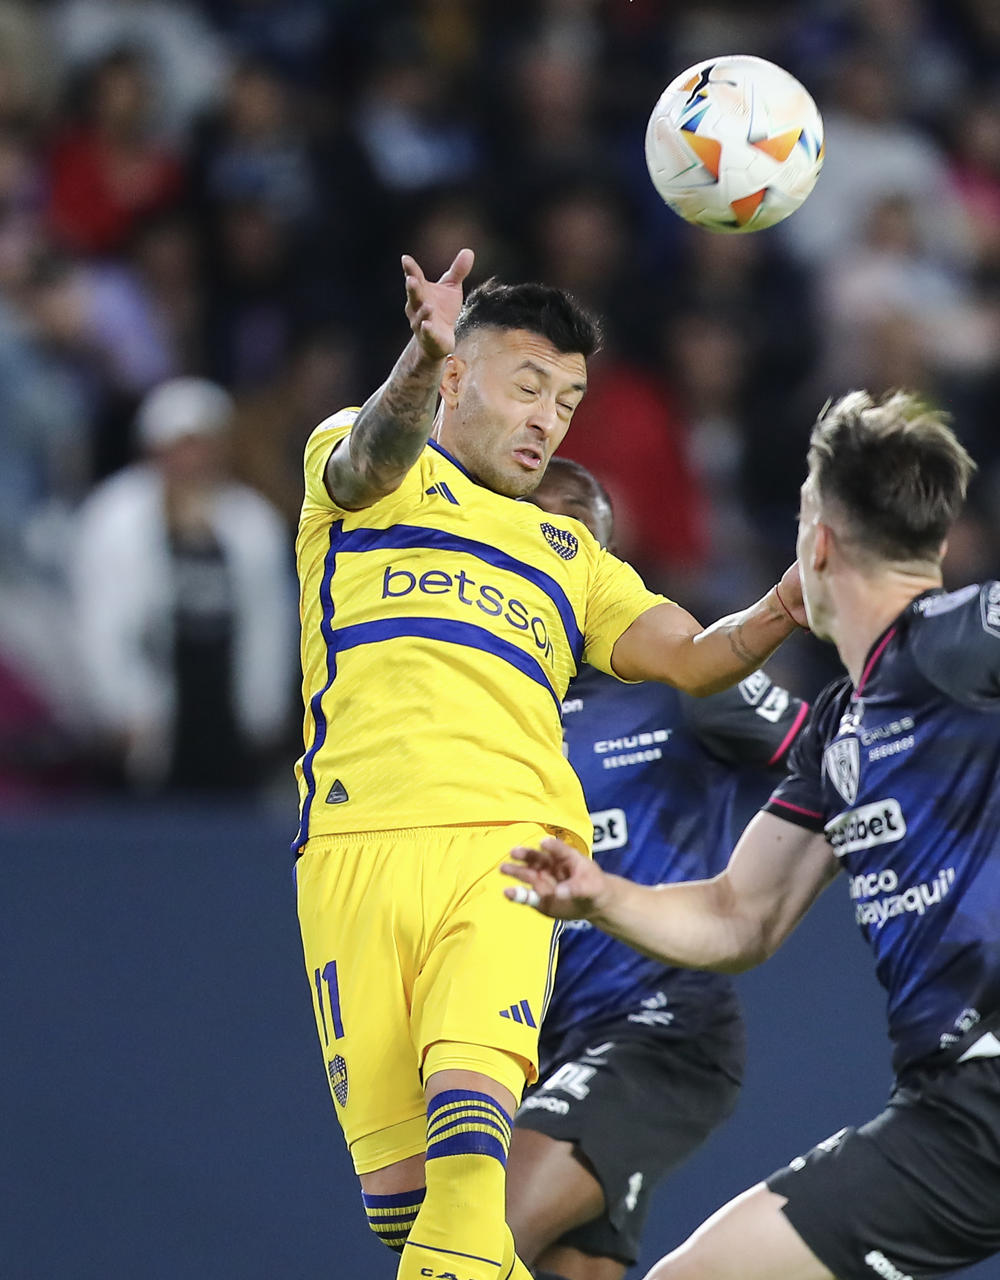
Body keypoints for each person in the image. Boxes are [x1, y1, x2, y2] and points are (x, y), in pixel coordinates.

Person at [503, 390, 1000, 1280]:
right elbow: (737, 918)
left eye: (806, 509)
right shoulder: (845, 722)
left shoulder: (953, 644)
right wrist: (600, 895)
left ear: (821, 545)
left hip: (991, 1114)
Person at [292, 249, 806, 1280]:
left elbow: (699, 657)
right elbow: (368, 459)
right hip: (346, 859)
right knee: (409, 1217)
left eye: (567, 401)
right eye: (528, 386)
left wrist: (789, 600)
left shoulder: (570, 554)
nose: (547, 419)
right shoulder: (357, 465)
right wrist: (416, 354)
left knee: (479, 1150)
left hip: (508, 855)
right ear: (453, 377)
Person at [506, 459, 811, 1280]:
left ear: (605, 565)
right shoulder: (477, 710)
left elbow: (835, 755)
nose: (555, 538)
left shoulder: (681, 683)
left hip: (658, 1028)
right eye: (534, 522)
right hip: (530, 1047)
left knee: (477, 1240)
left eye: (579, 530)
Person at [71, 375, 294, 791]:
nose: (192, 459)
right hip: (146, 723)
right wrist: (116, 706)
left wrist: (263, 709)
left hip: (226, 720)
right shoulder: (114, 518)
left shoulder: (251, 521)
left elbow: (269, 625)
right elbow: (100, 622)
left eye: (202, 444)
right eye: (181, 445)